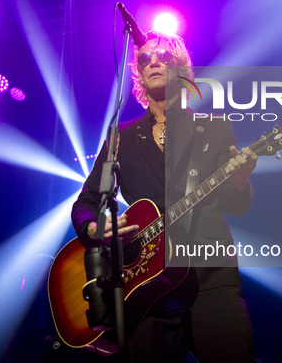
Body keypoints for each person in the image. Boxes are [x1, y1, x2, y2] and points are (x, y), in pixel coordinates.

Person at [71, 31, 258, 362]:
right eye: (145, 58)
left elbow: (236, 205)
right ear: (139, 72)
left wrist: (240, 181)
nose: (153, 61)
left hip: (210, 278)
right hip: (146, 291)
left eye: (163, 57)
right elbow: (86, 203)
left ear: (181, 68)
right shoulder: (121, 139)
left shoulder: (214, 128)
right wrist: (92, 229)